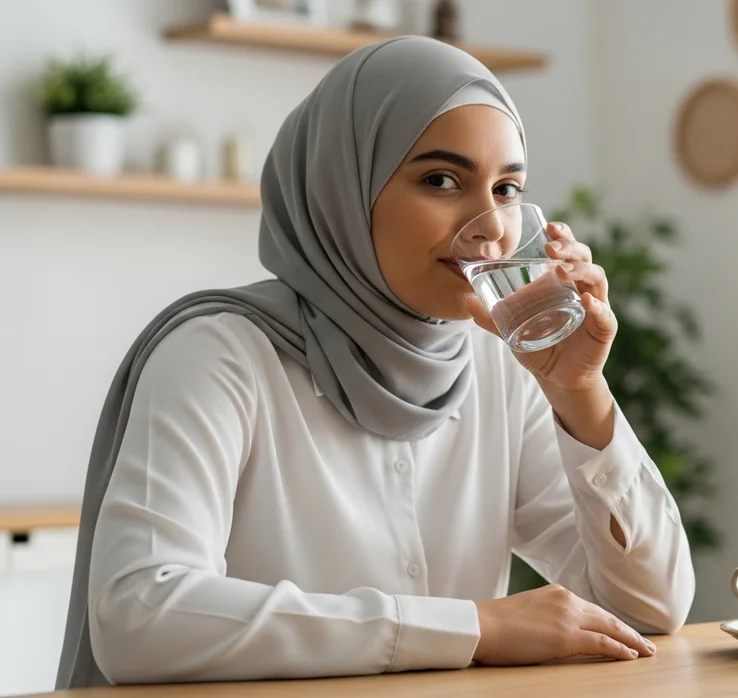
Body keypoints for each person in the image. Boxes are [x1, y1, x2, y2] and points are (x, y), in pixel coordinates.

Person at [55, 36, 695, 688]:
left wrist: (580, 394)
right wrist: (473, 629)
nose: (491, 227)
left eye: (507, 189)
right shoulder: (221, 356)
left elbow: (646, 610)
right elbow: (139, 616)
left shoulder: (499, 367)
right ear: (343, 188)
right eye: (441, 180)